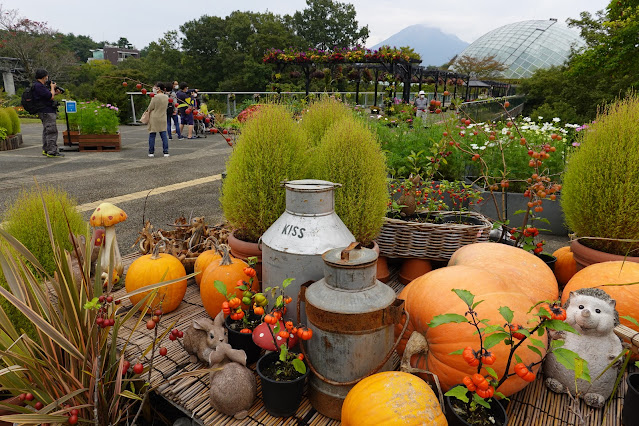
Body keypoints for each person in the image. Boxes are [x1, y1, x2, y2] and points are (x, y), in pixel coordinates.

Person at [33, 69, 63, 157]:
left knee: (46, 130)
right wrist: (53, 87)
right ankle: (52, 151)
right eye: (46, 76)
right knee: (51, 131)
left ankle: (46, 149)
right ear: (43, 77)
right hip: (47, 111)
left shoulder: (37, 86)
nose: (47, 78)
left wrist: (55, 93)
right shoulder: (39, 86)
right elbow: (50, 97)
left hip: (44, 110)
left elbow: (47, 96)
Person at [147, 82, 170, 157]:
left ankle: (151, 152)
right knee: (163, 135)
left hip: (154, 117)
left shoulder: (155, 97)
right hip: (163, 117)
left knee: (152, 135)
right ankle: (166, 152)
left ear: (158, 88)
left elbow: (150, 108)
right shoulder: (166, 97)